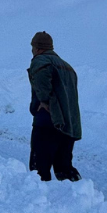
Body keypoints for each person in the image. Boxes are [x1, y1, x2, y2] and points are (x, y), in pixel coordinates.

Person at [28, 31, 82, 182]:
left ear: (38, 48)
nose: (32, 51)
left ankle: (40, 200)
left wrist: (44, 100)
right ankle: (77, 199)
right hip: (67, 125)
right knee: (64, 168)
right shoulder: (68, 67)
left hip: (48, 121)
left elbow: (41, 77)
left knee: (39, 169)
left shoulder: (40, 60)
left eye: (32, 47)